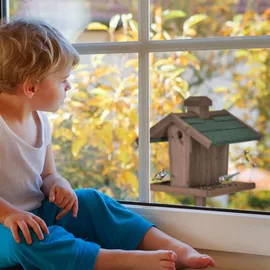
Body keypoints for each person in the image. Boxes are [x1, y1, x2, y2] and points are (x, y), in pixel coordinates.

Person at [0, 18, 216, 270]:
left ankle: (176, 248)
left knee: (91, 201)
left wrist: (57, 184)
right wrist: (10, 215)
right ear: (31, 87)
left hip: (37, 215)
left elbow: (47, 174)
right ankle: (116, 260)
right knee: (26, 242)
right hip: (5, 229)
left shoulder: (40, 120)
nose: (69, 86)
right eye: (62, 80)